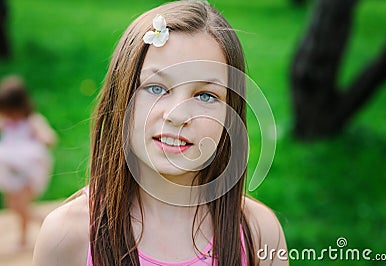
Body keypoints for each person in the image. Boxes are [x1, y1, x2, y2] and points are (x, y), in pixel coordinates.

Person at [33, 1, 288, 265]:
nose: (177, 115)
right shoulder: (68, 236)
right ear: (120, 98)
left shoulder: (259, 233)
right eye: (156, 88)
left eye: (205, 95)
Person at [0, 75, 57, 248]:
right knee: (13, 204)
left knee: (21, 203)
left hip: (29, 171)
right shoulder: (6, 122)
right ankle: (26, 234)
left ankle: (42, 224)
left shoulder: (32, 120)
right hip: (11, 170)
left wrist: (43, 138)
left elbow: (50, 138)